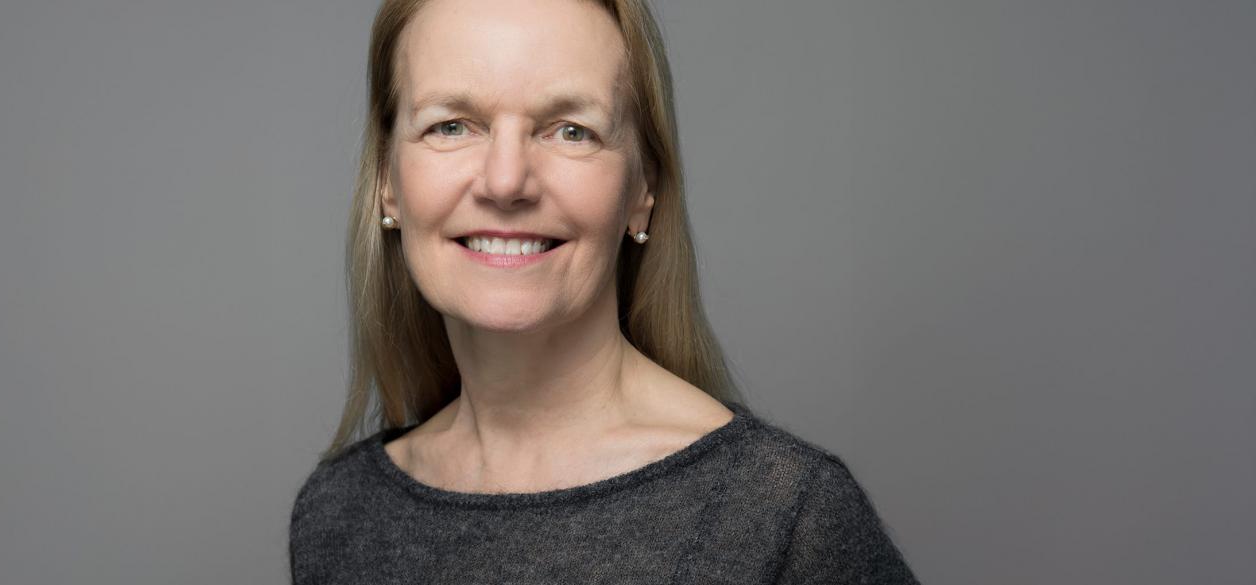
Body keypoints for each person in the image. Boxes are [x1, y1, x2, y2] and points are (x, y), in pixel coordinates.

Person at [289, 0, 920, 582]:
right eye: (452, 125)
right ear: (387, 183)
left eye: (570, 130)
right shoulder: (338, 514)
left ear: (641, 192)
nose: (506, 181)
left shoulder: (784, 517)